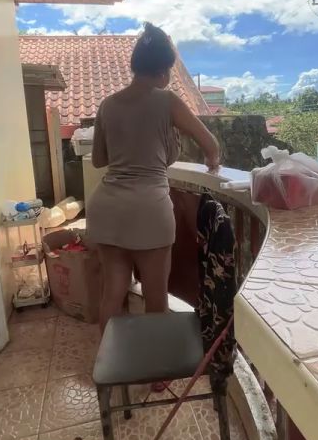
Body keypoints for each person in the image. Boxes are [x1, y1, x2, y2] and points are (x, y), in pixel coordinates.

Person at [89, 22, 221, 338]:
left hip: (107, 207)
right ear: (163, 71)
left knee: (112, 294)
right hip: (149, 210)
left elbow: (98, 160)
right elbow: (211, 145)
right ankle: (156, 366)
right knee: (156, 299)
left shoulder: (108, 104)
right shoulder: (168, 101)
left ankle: (109, 359)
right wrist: (212, 163)